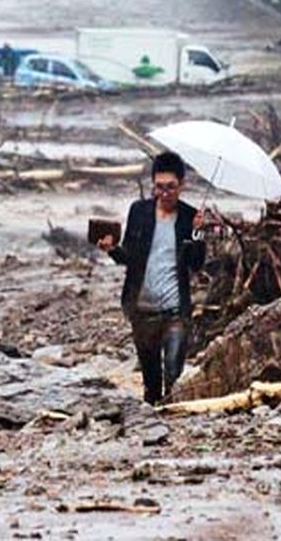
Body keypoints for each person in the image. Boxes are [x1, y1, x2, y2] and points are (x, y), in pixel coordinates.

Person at [99, 152, 206, 405]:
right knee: (151, 384)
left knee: (173, 375)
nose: (164, 193)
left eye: (170, 187)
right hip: (142, 309)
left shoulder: (191, 216)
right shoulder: (139, 211)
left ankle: (175, 434)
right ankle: (152, 431)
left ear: (182, 186)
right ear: (152, 185)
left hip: (175, 311)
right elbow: (129, 257)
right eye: (159, 187)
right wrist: (111, 248)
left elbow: (197, 263)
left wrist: (199, 233)